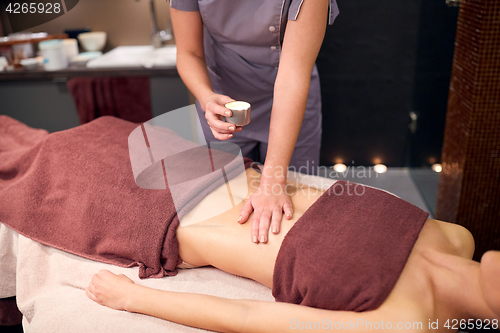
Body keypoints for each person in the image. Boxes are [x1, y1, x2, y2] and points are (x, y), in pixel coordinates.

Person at [86, 167, 500, 333]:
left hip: (170, 217)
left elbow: (251, 316)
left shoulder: (406, 321)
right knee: (101, 130)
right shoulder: (458, 237)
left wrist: (134, 298)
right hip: (220, 167)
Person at [170, 0, 339, 244]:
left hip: (291, 100)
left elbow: (293, 75)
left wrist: (273, 182)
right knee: (227, 206)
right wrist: (208, 98)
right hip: (223, 100)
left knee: (293, 211)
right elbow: (189, 53)